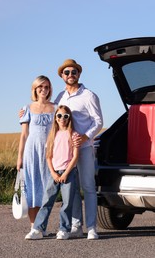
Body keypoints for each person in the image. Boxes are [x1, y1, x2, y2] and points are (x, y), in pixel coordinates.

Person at [55, 59, 103, 240]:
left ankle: (92, 227)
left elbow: (98, 121)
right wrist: (26, 112)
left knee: (88, 186)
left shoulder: (89, 95)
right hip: (65, 151)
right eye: (66, 72)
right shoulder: (60, 97)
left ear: (79, 74)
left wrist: (85, 136)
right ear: (62, 76)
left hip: (84, 148)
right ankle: (76, 226)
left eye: (73, 72)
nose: (70, 75)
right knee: (71, 189)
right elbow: (52, 116)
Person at [25, 105, 79, 240]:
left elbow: (75, 157)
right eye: (59, 115)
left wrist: (66, 173)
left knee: (67, 203)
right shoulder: (52, 134)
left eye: (65, 116)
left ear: (69, 118)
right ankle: (37, 229)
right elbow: (48, 156)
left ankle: (63, 229)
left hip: (69, 173)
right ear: (55, 118)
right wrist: (53, 173)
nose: (62, 119)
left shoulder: (73, 134)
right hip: (54, 173)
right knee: (47, 201)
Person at [17, 75, 55, 232]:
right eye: (40, 87)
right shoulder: (27, 108)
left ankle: (42, 225)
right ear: (35, 89)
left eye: (46, 87)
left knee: (46, 189)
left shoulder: (56, 107)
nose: (43, 90)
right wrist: (19, 157)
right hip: (31, 152)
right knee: (32, 188)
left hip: (49, 153)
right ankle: (34, 226)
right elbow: (24, 134)